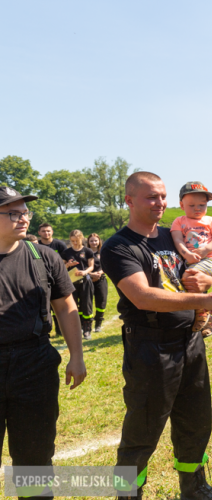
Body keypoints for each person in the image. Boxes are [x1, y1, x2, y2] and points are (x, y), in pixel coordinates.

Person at [101, 171, 212, 500]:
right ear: (129, 201)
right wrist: (203, 300)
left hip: (190, 340)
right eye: (150, 197)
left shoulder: (170, 237)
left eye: (162, 196)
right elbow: (143, 296)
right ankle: (127, 494)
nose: (159, 203)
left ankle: (195, 488)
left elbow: (190, 274)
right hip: (150, 346)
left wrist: (202, 285)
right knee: (142, 431)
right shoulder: (119, 246)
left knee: (196, 421)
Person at [0, 186, 87, 497]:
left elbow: (66, 307)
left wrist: (77, 356)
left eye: (26, 212)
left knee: (34, 456)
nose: (23, 218)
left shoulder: (44, 257)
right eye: (13, 212)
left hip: (34, 363)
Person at [171, 181, 212, 337]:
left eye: (202, 205)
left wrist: (205, 249)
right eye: (192, 205)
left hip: (210, 260)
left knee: (188, 278)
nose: (197, 209)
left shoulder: (210, 220)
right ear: (182, 205)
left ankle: (203, 312)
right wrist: (187, 254)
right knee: (189, 286)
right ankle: (209, 319)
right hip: (189, 260)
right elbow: (178, 240)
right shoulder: (179, 221)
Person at [62, 230, 95, 340]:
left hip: (85, 281)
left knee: (87, 305)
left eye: (77, 240)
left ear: (82, 238)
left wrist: (85, 272)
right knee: (73, 306)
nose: (75, 243)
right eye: (72, 241)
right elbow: (62, 268)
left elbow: (91, 266)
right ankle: (77, 328)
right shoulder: (66, 252)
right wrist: (68, 265)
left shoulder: (88, 251)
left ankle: (87, 330)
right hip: (72, 282)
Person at [37, 222, 68, 336]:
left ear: (52, 232)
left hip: (57, 279)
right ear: (39, 233)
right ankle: (46, 331)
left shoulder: (59, 245)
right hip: (40, 280)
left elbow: (67, 259)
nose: (46, 233)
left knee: (59, 305)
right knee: (44, 306)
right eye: (44, 231)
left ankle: (60, 331)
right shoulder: (36, 245)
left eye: (48, 231)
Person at [87, 233, 108, 333]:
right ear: (88, 242)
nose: (94, 242)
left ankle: (98, 324)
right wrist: (91, 274)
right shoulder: (85, 252)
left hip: (101, 279)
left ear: (99, 241)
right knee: (88, 303)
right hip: (88, 280)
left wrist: (99, 273)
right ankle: (87, 325)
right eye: (91, 241)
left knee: (101, 302)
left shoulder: (103, 252)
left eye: (96, 240)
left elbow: (108, 264)